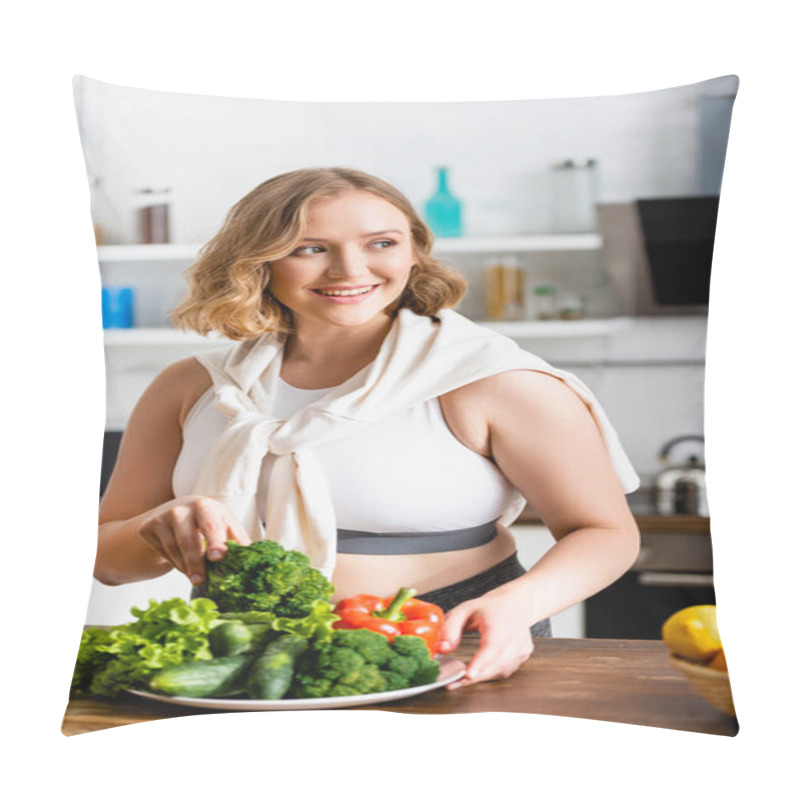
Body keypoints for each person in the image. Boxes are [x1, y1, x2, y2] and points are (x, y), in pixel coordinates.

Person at [95, 167, 641, 690]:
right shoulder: (191, 387)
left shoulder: (488, 379)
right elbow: (105, 560)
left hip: (452, 642)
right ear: (255, 263)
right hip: (239, 652)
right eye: (311, 248)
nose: (350, 271)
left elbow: (606, 533)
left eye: (381, 243)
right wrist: (157, 527)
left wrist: (519, 604)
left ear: (414, 253)